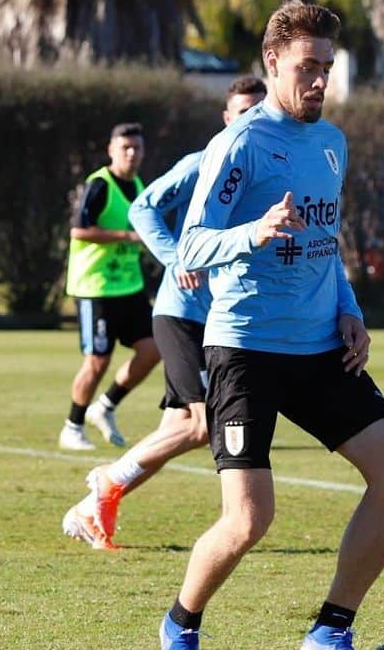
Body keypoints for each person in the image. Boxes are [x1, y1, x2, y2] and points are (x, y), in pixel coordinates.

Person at [159, 2, 384, 650]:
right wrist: (253, 232)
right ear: (272, 63)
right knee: (249, 519)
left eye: (327, 69)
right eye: (307, 68)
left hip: (318, 345)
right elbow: (191, 245)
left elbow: (324, 243)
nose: (319, 82)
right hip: (245, 347)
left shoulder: (332, 140)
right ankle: (181, 623)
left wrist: (350, 310)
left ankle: (331, 630)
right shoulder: (239, 145)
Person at [61, 77, 267, 551]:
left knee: (176, 429)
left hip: (218, 320)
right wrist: (178, 258)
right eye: (242, 112)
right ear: (226, 118)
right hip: (180, 314)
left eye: (259, 111)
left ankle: (89, 508)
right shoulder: (202, 164)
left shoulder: (266, 172)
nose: (251, 120)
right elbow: (143, 208)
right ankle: (108, 479)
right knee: (201, 423)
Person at [59, 123, 161, 451]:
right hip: (96, 286)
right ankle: (72, 426)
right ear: (111, 150)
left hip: (129, 285)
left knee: (153, 349)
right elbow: (79, 231)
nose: (132, 154)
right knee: (97, 360)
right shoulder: (99, 185)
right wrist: (127, 236)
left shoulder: (139, 186)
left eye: (137, 148)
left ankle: (105, 406)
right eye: (125, 148)